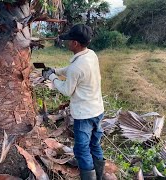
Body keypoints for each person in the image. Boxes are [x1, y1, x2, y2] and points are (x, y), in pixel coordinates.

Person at [42, 24, 105, 180]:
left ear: (75, 43)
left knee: (82, 149)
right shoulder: (91, 55)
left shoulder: (77, 67)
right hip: (97, 110)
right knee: (94, 145)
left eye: (69, 40)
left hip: (84, 115)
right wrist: (55, 70)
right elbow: (71, 69)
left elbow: (66, 90)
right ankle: (100, 174)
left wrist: (51, 78)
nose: (67, 42)